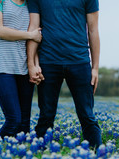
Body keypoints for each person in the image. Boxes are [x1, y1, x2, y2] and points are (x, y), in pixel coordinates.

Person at [27, 0, 102, 149]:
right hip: (48, 61)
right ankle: (40, 157)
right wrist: (31, 64)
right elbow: (33, 28)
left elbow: (93, 30)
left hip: (79, 61)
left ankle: (97, 156)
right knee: (46, 115)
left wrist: (95, 68)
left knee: (87, 115)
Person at [0, 0, 42, 139]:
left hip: (23, 67)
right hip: (1, 67)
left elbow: (37, 36)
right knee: (13, 120)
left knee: (24, 125)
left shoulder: (32, 4)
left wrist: (35, 65)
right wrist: (29, 35)